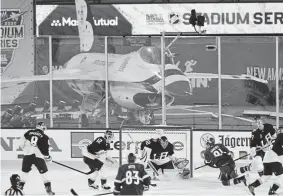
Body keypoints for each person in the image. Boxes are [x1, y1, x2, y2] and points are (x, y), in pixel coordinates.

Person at [18, 122, 54, 195]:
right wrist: (48, 157)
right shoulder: (44, 136)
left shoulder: (28, 132)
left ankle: (20, 189)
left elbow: (21, 142)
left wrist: (26, 151)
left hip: (27, 155)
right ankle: (48, 190)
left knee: (24, 172)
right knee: (44, 173)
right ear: (42, 128)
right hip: (38, 156)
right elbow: (44, 149)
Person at [248, 127, 283, 195]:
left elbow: (264, 149)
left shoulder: (268, 138)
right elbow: (279, 149)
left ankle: (252, 185)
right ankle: (272, 191)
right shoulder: (281, 135)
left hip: (267, 158)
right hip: (275, 158)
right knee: (281, 176)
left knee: (267, 176)